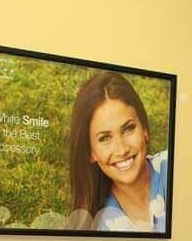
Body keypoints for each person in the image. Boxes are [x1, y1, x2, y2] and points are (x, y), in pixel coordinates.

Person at [69, 72, 167, 232]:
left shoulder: (173, 170)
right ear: (91, 152)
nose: (122, 149)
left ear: (145, 129)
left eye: (128, 128)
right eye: (105, 138)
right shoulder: (98, 227)